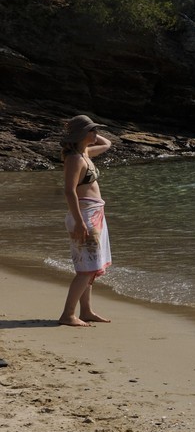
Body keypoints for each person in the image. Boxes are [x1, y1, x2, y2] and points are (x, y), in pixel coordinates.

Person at [59, 115, 114, 327]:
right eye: (91, 131)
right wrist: (80, 221)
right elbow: (69, 191)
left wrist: (91, 133)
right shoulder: (74, 158)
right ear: (82, 134)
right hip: (84, 216)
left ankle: (86, 311)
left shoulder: (85, 153)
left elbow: (107, 143)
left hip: (93, 215)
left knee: (89, 266)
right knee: (86, 270)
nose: (95, 134)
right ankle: (67, 315)